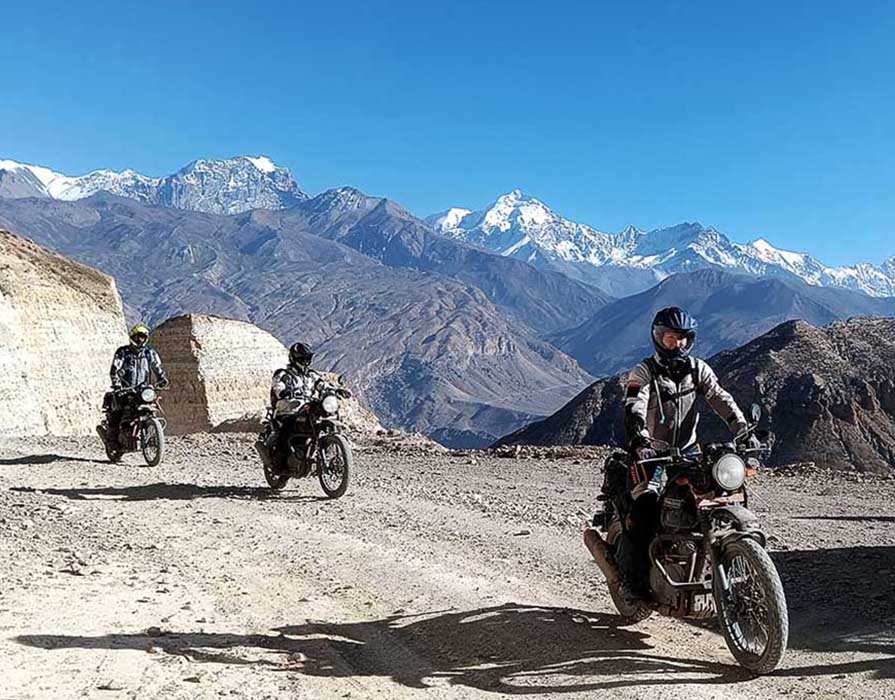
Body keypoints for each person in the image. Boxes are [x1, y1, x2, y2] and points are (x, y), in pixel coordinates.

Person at [615, 306, 754, 601]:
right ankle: (631, 582)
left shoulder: (698, 369)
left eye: (681, 338)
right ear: (657, 338)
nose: (676, 344)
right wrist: (639, 437)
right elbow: (634, 405)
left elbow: (719, 397)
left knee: (720, 495)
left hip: (690, 453)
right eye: (669, 338)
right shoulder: (643, 372)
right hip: (653, 455)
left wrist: (741, 428)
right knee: (644, 512)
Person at [260, 342, 349, 469]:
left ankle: (326, 450)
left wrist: (336, 390)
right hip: (288, 410)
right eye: (303, 358)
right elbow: (277, 386)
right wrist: (285, 392)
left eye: (308, 358)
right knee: (287, 428)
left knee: (323, 415)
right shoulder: (283, 374)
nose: (306, 361)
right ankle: (279, 463)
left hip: (306, 408)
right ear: (295, 358)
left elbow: (322, 385)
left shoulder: (311, 375)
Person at [99, 324, 169, 446]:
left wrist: (162, 378)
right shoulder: (123, 352)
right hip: (125, 389)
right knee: (118, 411)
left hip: (143, 389)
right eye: (137, 337)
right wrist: (116, 384)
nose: (139, 340)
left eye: (142, 337)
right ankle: (112, 440)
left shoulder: (149, 353)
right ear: (132, 337)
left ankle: (152, 436)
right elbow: (114, 369)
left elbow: (157, 367)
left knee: (151, 405)